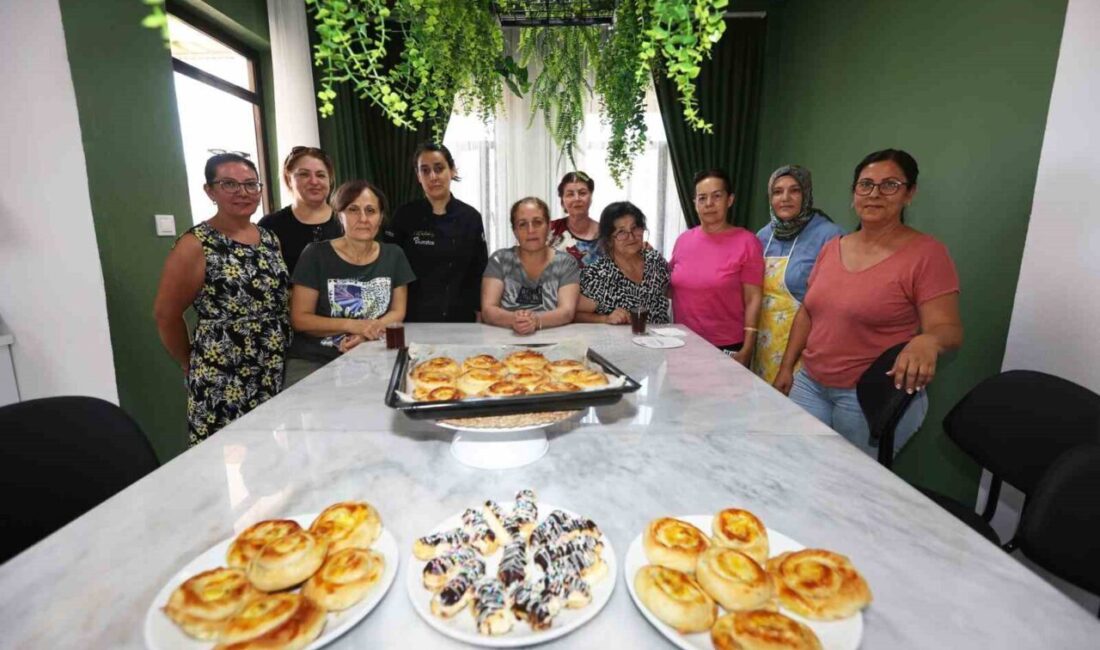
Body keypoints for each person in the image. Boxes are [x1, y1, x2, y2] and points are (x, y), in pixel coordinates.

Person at [773, 149, 963, 458]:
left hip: (864, 396)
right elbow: (808, 311)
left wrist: (928, 341)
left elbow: (948, 329)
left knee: (847, 479)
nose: (875, 193)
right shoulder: (833, 247)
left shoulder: (926, 254)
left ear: (909, 194)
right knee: (794, 462)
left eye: (890, 185)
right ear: (854, 194)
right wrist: (786, 368)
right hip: (810, 384)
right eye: (866, 184)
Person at [153, 153, 290, 445]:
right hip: (222, 372)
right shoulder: (195, 244)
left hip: (272, 365)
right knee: (218, 455)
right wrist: (189, 362)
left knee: (269, 453)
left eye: (250, 184)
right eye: (229, 184)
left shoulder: (269, 239)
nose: (242, 192)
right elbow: (166, 315)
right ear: (210, 191)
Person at [286, 180, 415, 387]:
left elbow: (397, 311)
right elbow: (300, 319)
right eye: (353, 209)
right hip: (315, 360)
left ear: (380, 217)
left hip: (372, 354)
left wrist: (366, 334)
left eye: (371, 211)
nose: (363, 218)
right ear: (340, 215)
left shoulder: (394, 255)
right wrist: (353, 325)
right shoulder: (315, 255)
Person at [752, 165, 845, 383]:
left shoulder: (830, 236)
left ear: (806, 194)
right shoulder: (762, 236)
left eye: (794, 190)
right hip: (764, 345)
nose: (785, 198)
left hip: (804, 349)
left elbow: (833, 303)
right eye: (777, 192)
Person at [668, 169, 764, 365]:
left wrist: (747, 348)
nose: (709, 203)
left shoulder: (747, 242)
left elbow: (753, 299)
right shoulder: (683, 241)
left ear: (730, 200)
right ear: (695, 203)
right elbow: (671, 286)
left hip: (726, 346)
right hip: (682, 343)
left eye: (717, 196)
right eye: (702, 198)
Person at [387, 143, 488, 322]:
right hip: (413, 318)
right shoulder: (404, 215)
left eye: (439, 168)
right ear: (418, 176)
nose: (433, 176)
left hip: (461, 318)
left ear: (452, 170)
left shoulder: (471, 217)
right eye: (425, 171)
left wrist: (480, 311)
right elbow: (391, 270)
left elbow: (478, 271)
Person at [482, 197, 580, 335]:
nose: (531, 230)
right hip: (504, 341)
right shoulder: (499, 260)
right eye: (522, 224)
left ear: (549, 227)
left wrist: (536, 321)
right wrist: (514, 320)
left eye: (537, 222)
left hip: (554, 341)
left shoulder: (566, 263)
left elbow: (567, 312)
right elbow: (488, 310)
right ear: (514, 230)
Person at [575, 201, 671, 324]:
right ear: (609, 240)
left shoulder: (655, 261)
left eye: (635, 228)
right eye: (621, 232)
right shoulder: (597, 274)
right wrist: (605, 319)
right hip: (619, 337)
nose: (631, 237)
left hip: (661, 335)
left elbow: (672, 294)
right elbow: (573, 314)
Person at [258, 146, 343, 275]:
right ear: (288, 179)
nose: (314, 181)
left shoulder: (348, 220)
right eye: (304, 174)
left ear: (330, 180)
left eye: (321, 175)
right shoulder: (270, 225)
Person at [549, 171, 602, 266]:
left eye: (582, 193)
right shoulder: (549, 230)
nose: (577, 198)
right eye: (570, 194)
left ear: (591, 197)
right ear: (562, 202)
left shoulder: (607, 234)